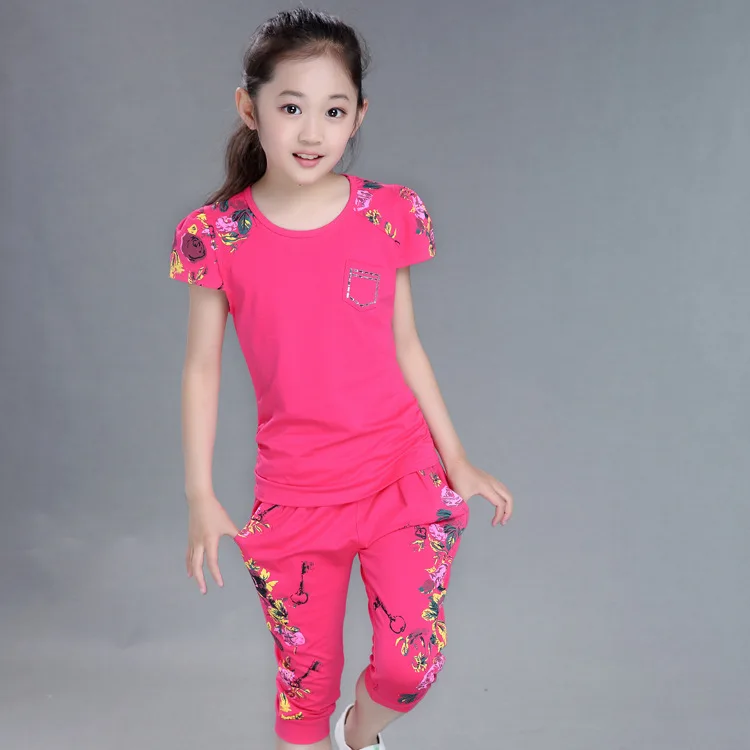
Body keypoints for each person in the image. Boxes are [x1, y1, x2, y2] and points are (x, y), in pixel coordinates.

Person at [170, 7, 513, 750]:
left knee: (410, 665)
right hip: (295, 496)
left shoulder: (389, 215)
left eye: (333, 111)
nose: (312, 131)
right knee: (305, 687)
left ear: (359, 116)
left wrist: (455, 457)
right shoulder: (217, 234)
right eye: (291, 107)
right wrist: (199, 493)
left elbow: (406, 344)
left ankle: (360, 732)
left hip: (398, 475)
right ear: (250, 108)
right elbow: (201, 368)